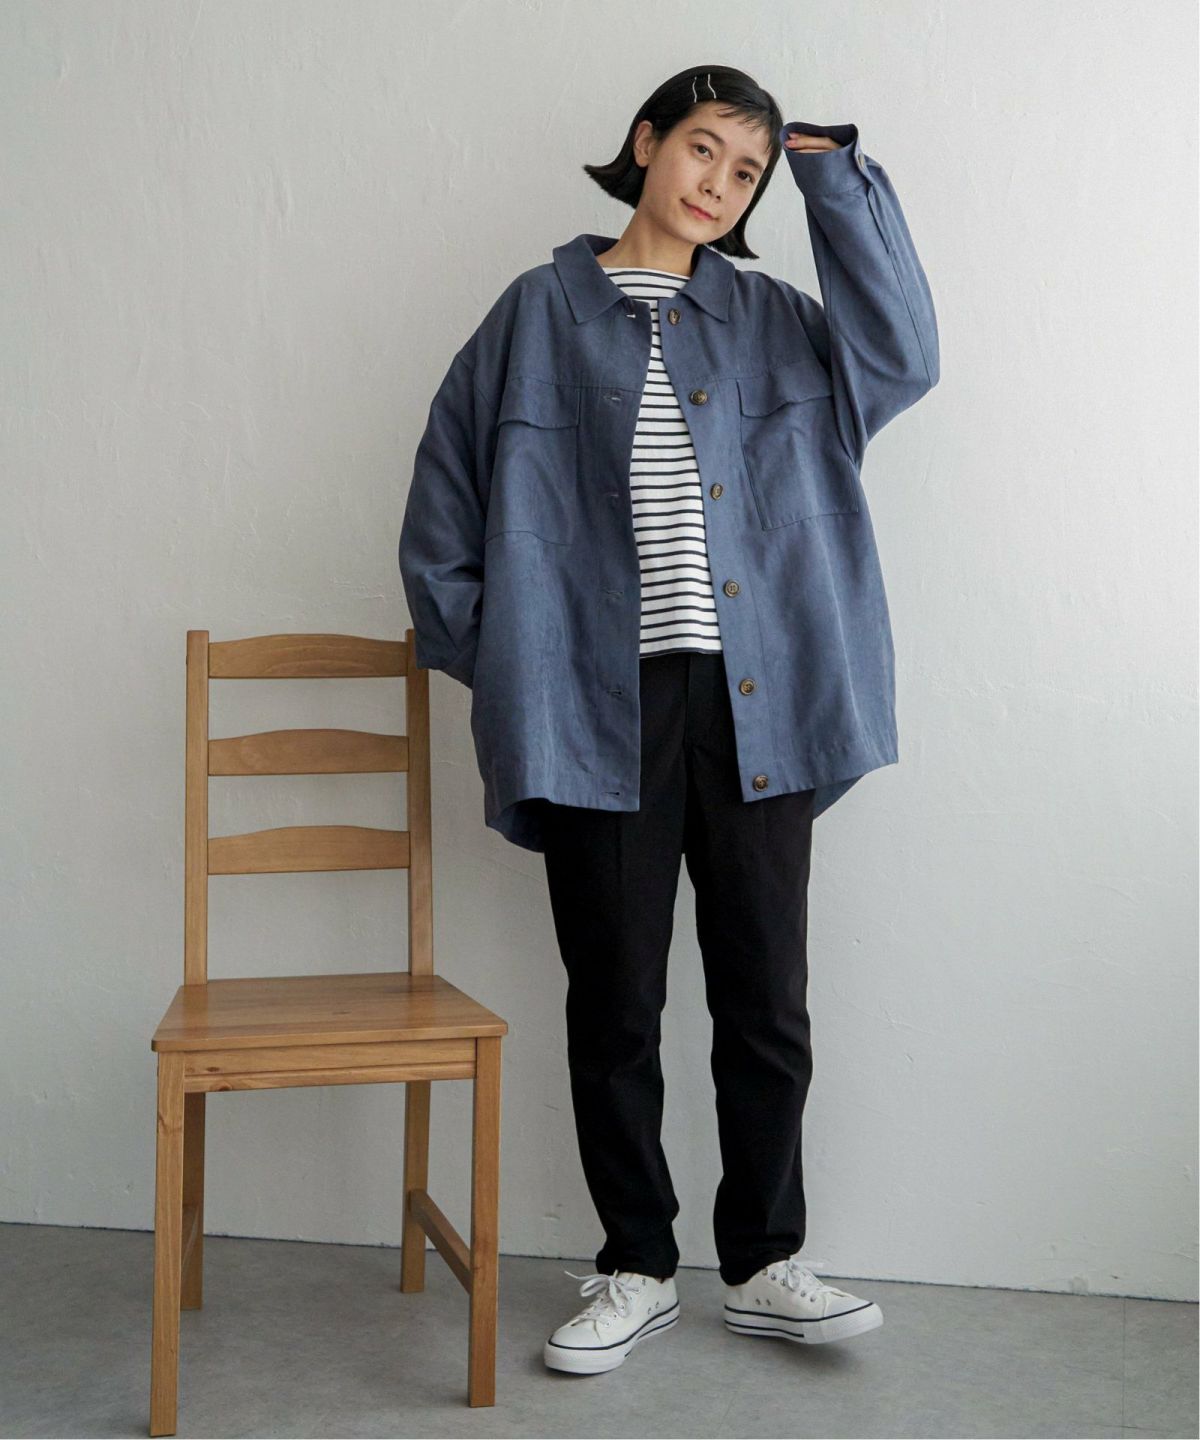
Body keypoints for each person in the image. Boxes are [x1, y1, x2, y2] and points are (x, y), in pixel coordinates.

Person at [398, 63, 938, 1377]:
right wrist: (513, 668)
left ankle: (761, 1263)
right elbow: (441, 517)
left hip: (761, 702)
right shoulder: (533, 315)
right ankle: (636, 1263)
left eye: (745, 172)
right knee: (615, 1002)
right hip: (595, 706)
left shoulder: (778, 321)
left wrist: (827, 173)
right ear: (645, 144)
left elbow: (905, 359)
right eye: (703, 149)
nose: (718, 185)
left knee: (766, 1000)